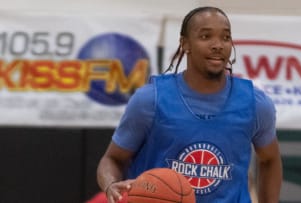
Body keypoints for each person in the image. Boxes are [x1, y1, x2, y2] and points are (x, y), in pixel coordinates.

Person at [97, 6, 282, 203]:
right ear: (185, 44)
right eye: (206, 36)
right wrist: (110, 185)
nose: (218, 45)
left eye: (225, 37)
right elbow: (112, 159)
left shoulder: (256, 103)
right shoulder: (150, 100)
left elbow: (270, 159)